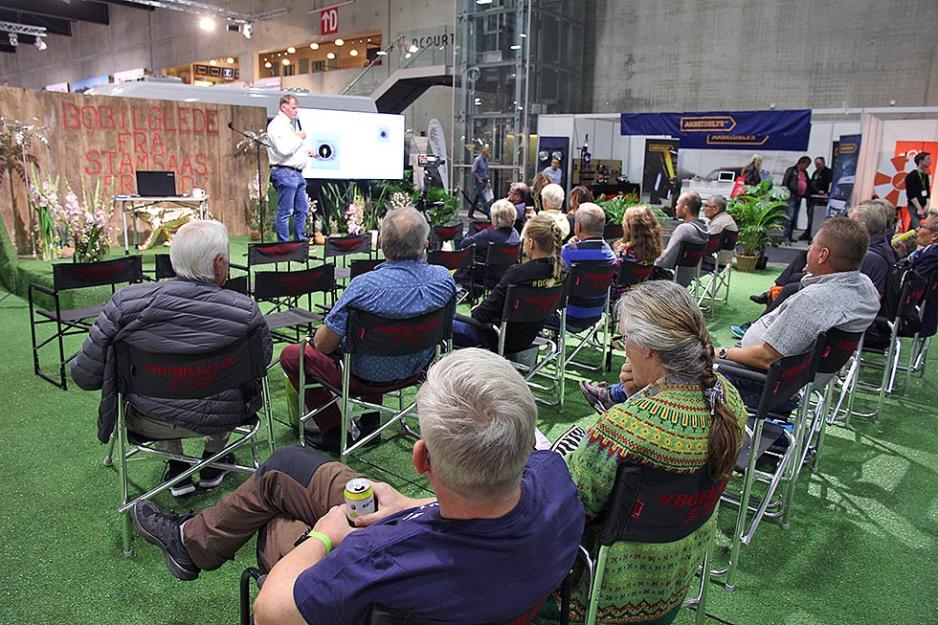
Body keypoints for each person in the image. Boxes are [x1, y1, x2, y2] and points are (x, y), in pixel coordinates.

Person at [130, 349, 585, 625]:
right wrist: (410, 503)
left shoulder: (375, 559)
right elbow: (489, 499)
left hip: (389, 558)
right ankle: (191, 541)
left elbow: (269, 612)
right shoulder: (557, 481)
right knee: (287, 467)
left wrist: (324, 536)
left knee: (280, 524)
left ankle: (195, 542)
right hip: (455, 541)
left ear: (422, 459)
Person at [567, 281, 747, 624]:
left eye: (624, 339)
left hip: (604, 593)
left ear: (646, 348)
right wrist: (639, 394)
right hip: (677, 578)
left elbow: (573, 505)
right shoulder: (728, 400)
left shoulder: (625, 428)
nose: (624, 349)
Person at [71, 221, 273, 496]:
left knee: (163, 393)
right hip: (225, 417)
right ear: (218, 265)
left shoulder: (124, 304)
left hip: (148, 418)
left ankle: (177, 467)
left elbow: (84, 376)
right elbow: (261, 362)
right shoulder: (246, 311)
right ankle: (213, 460)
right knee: (229, 387)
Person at [280, 207, 456, 452]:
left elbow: (323, 346)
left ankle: (335, 431)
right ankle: (370, 421)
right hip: (420, 369)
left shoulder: (364, 287)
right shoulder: (443, 279)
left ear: (382, 244)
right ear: (425, 243)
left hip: (363, 378)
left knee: (292, 355)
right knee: (374, 345)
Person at [717, 218, 880, 410]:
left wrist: (721, 353)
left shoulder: (814, 301)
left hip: (758, 385)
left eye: (813, 245)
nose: (808, 249)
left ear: (823, 255)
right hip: (796, 384)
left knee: (689, 364)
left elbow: (766, 358)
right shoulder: (865, 288)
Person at [453, 213, 564, 353]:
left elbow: (482, 315)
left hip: (495, 338)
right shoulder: (561, 272)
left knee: (439, 324)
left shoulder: (519, 273)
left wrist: (476, 309)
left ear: (531, 242)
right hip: (527, 338)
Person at [267, 94, 314, 242]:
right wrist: (299, 137)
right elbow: (284, 150)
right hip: (285, 173)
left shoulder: (288, 125)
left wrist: (306, 152)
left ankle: (300, 243)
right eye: (293, 108)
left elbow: (292, 149)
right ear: (283, 107)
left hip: (296, 174)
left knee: (302, 209)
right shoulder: (276, 126)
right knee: (285, 211)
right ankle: (284, 246)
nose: (296, 111)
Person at [561, 203, 617, 324]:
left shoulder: (568, 252)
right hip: (596, 316)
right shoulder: (610, 255)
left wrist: (571, 245)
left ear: (578, 227)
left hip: (567, 317)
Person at [454, 199, 521, 286]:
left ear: (496, 218)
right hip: (504, 275)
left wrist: (469, 235)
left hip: (484, 276)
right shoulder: (515, 233)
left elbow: (464, 243)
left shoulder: (489, 234)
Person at [655, 190, 708, 286]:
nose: (675, 207)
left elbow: (665, 261)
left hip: (670, 280)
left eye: (677, 204)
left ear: (685, 209)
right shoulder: (704, 229)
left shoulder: (684, 229)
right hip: (687, 278)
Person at [907, 213, 938, 336]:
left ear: (935, 235)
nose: (917, 230)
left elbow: (912, 283)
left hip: (914, 317)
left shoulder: (932, 256)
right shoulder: (929, 252)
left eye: (922, 227)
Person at [801, 156, 833, 241]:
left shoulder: (828, 172)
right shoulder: (815, 172)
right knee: (810, 215)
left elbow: (830, 183)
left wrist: (828, 193)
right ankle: (808, 232)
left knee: (816, 216)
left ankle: (815, 233)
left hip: (821, 198)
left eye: (819, 164)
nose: (817, 166)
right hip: (812, 197)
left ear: (823, 163)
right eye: (816, 164)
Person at [702, 194, 738, 268]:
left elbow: (706, 244)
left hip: (713, 263)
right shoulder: (726, 219)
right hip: (724, 262)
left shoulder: (718, 223)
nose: (703, 209)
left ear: (716, 209)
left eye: (706, 206)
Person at [782, 156, 812, 242]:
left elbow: (808, 182)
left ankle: (790, 236)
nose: (806, 167)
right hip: (791, 196)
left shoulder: (804, 172)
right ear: (801, 163)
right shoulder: (792, 170)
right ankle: (785, 236)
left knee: (794, 217)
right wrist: (788, 191)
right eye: (806, 165)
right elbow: (785, 182)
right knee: (789, 217)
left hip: (799, 196)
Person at [904, 152, 932, 229]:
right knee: (918, 228)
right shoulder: (911, 176)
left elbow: (927, 192)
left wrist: (927, 205)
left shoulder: (925, 176)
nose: (930, 161)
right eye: (928, 159)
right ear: (921, 161)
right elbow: (911, 195)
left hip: (924, 205)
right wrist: (919, 208)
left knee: (920, 227)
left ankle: (909, 235)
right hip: (914, 206)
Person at [468, 145, 491, 219]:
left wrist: (488, 181)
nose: (488, 152)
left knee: (476, 198)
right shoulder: (478, 159)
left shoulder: (486, 160)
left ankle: (470, 213)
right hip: (479, 182)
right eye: (487, 151)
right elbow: (473, 171)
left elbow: (486, 171)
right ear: (483, 151)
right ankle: (489, 215)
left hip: (484, 181)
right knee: (484, 199)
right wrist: (478, 178)